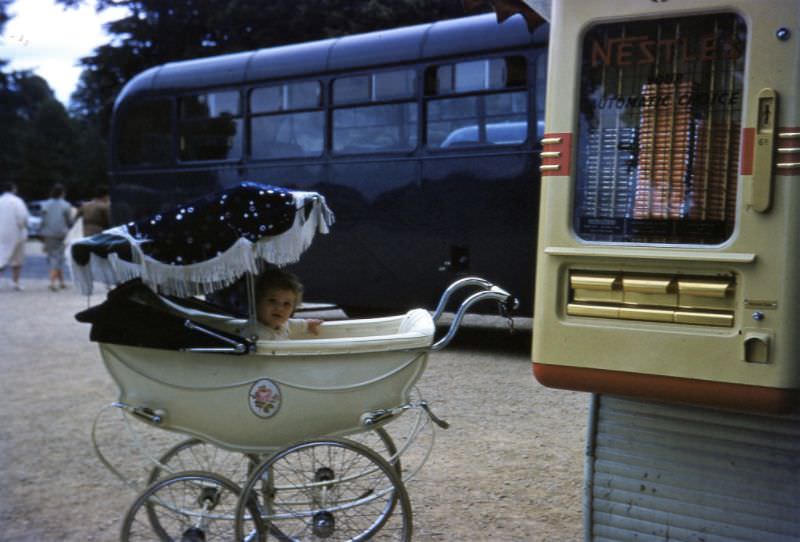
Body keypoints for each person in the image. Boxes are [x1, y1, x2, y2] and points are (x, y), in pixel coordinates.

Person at [255, 268, 323, 340]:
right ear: (258, 302)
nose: (280, 308)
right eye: (272, 300)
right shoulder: (257, 335)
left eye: (286, 303)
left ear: (293, 309)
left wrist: (306, 324)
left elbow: (290, 324)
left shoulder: (281, 324)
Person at [39, 183, 74, 291]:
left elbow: (42, 220)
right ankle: (53, 282)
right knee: (58, 257)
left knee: (53, 256)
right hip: (61, 233)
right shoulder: (66, 205)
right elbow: (69, 221)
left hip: (48, 233)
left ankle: (61, 282)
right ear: (63, 193)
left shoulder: (45, 204)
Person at [0, 182, 30, 291]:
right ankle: (15, 282)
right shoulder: (17, 201)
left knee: (2, 256)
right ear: (13, 189)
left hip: (1, 232)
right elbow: (23, 218)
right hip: (16, 232)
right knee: (17, 259)